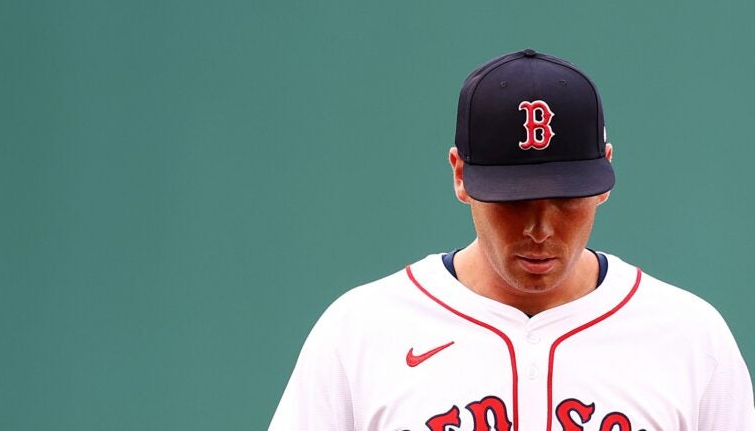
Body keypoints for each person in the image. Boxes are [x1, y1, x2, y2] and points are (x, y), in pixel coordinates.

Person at [268, 49, 755, 431]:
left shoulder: (690, 337)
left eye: (566, 198)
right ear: (460, 176)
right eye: (512, 200)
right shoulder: (360, 332)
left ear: (605, 176)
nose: (539, 229)